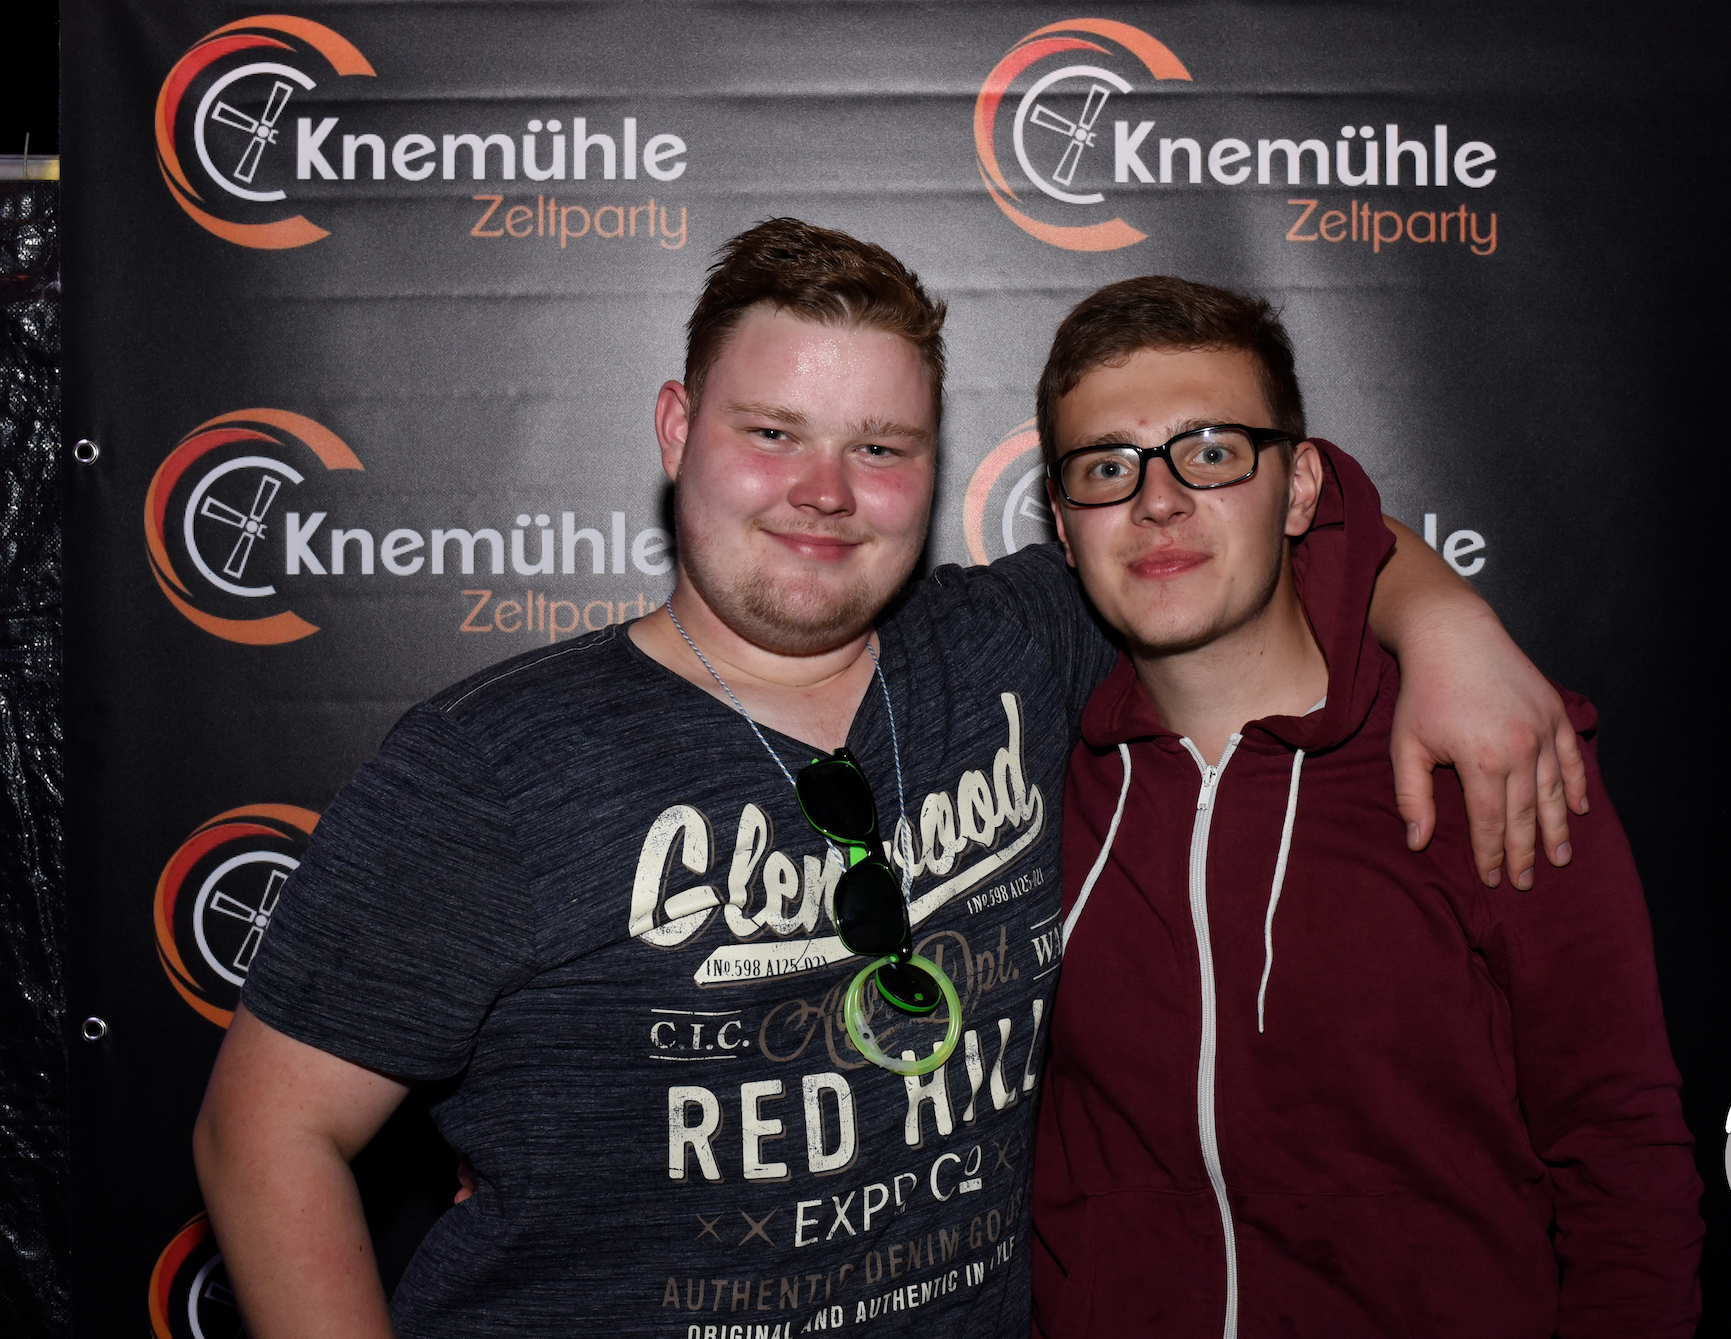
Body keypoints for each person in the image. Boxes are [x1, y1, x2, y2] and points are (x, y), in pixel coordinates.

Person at [192, 220, 1587, 1339]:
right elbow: (265, 1135)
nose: (825, 489)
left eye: (879, 446)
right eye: (772, 432)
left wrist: (1448, 623)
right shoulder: (490, 765)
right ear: (676, 429)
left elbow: (1264, 516)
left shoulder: (1019, 638)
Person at [1029, 277, 1703, 1338]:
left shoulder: (1487, 757)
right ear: (1065, 526)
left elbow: (1620, 1151)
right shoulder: (1034, 769)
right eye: (1107, 467)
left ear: (1300, 488)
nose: (1158, 500)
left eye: (1211, 451)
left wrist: (1442, 616)